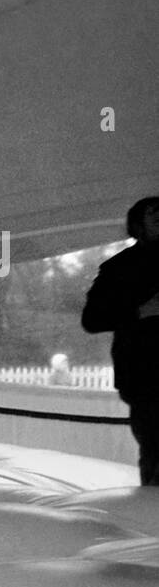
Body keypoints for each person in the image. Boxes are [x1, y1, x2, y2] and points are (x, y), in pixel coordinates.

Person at [82, 196, 159, 485]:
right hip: (146, 380)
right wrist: (142, 311)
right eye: (155, 216)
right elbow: (92, 320)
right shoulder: (119, 269)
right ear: (138, 226)